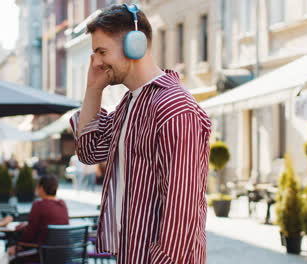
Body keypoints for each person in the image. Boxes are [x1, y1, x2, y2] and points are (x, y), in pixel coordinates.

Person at [69, 4, 211, 264]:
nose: (97, 62)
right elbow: (88, 151)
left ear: (136, 45)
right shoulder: (130, 105)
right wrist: (93, 88)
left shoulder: (174, 108)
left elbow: (181, 215)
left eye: (102, 52)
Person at [7, 175, 69, 261]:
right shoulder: (62, 204)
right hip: (61, 253)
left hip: (41, 253)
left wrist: (19, 245)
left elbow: (29, 234)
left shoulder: (39, 205)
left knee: (11, 252)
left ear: (41, 188)